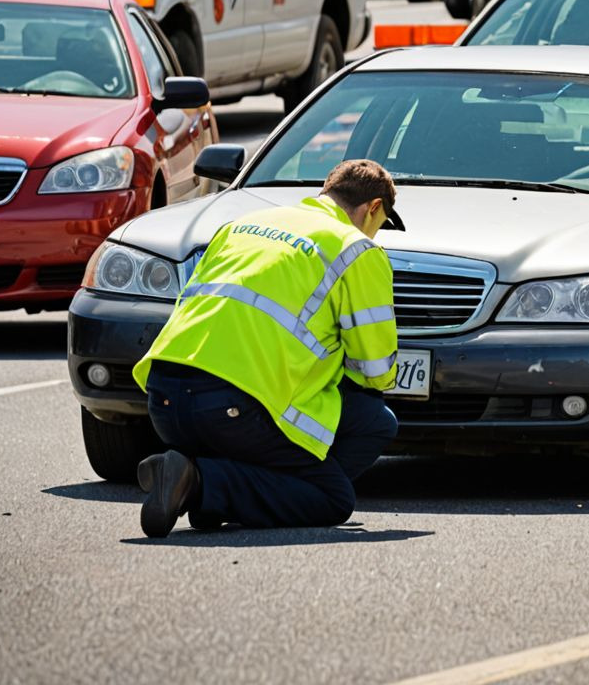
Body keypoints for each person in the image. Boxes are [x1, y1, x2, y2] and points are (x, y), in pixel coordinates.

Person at [131, 159, 400, 537]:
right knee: (334, 493)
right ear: (373, 208)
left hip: (164, 400)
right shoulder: (355, 248)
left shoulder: (244, 226)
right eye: (381, 223)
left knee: (369, 421)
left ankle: (211, 491)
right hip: (231, 409)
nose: (376, 235)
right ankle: (202, 483)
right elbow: (375, 372)